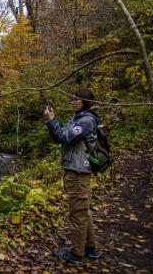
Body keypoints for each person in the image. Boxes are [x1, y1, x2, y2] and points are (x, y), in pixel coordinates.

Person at [43, 87, 101, 265]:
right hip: (74, 168)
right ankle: (91, 249)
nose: (73, 101)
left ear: (85, 102)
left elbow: (65, 137)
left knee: (77, 213)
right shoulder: (77, 118)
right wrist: (50, 122)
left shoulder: (86, 122)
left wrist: (52, 121)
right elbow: (59, 137)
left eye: (77, 99)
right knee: (83, 211)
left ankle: (76, 255)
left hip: (78, 171)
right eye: (73, 98)